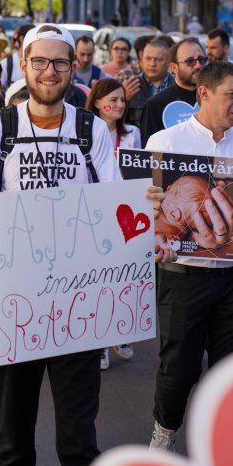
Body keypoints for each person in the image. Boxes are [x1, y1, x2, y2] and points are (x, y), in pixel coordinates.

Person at [0, 23, 149, 466]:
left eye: (59, 62)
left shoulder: (92, 130)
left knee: (79, 442)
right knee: (10, 443)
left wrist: (145, 236)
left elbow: (114, 208)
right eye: (39, 62)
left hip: (76, 307)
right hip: (10, 304)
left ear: (72, 68)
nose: (49, 71)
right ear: (23, 66)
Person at [146, 62, 233, 452]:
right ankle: (165, 429)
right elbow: (132, 204)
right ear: (205, 93)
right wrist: (148, 206)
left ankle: (221, 437)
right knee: (178, 367)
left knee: (229, 368)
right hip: (183, 275)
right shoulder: (165, 142)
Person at [85, 77, 141, 370]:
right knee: (98, 279)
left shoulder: (133, 133)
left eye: (122, 100)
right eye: (113, 100)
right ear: (96, 102)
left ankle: (121, 331)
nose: (119, 105)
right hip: (93, 214)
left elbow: (137, 173)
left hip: (124, 214)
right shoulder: (85, 134)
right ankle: (100, 344)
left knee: (123, 275)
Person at [140, 38, 206, 146]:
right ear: (174, 67)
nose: (198, 65)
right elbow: (149, 154)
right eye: (190, 61)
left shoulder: (214, 99)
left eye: (201, 59)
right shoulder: (155, 104)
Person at [127, 38, 174, 129]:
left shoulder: (178, 87)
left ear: (168, 62)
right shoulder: (130, 86)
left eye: (159, 59)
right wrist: (124, 100)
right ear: (141, 60)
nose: (152, 64)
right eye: (148, 58)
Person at [0, 23, 34, 89]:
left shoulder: (42, 62)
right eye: (32, 37)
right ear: (22, 39)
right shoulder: (6, 63)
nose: (36, 41)